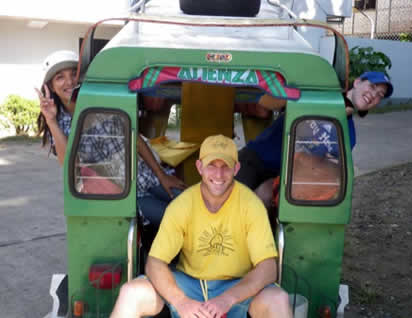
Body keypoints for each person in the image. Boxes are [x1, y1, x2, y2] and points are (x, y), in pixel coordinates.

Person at [110, 134, 293, 318]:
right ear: (199, 167)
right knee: (131, 293)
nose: (219, 174)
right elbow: (155, 262)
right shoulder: (182, 204)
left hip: (237, 286)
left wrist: (228, 298)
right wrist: (181, 301)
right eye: (211, 165)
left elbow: (268, 268)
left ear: (236, 168)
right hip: (189, 284)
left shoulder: (251, 205)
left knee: (278, 299)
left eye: (225, 167)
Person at [35, 50, 186, 226]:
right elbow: (68, 163)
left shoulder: (102, 101)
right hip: (122, 196)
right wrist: (51, 121)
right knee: (176, 221)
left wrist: (161, 175)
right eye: (60, 77)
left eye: (73, 74)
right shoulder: (58, 122)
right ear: (51, 87)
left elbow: (134, 139)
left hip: (146, 176)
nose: (69, 82)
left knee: (193, 206)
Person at [235, 71, 394, 192]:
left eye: (379, 95)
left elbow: (320, 172)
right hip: (254, 160)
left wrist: (276, 185)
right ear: (358, 82)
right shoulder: (320, 94)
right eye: (372, 87)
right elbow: (268, 103)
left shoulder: (348, 136)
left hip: (281, 179)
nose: (374, 95)